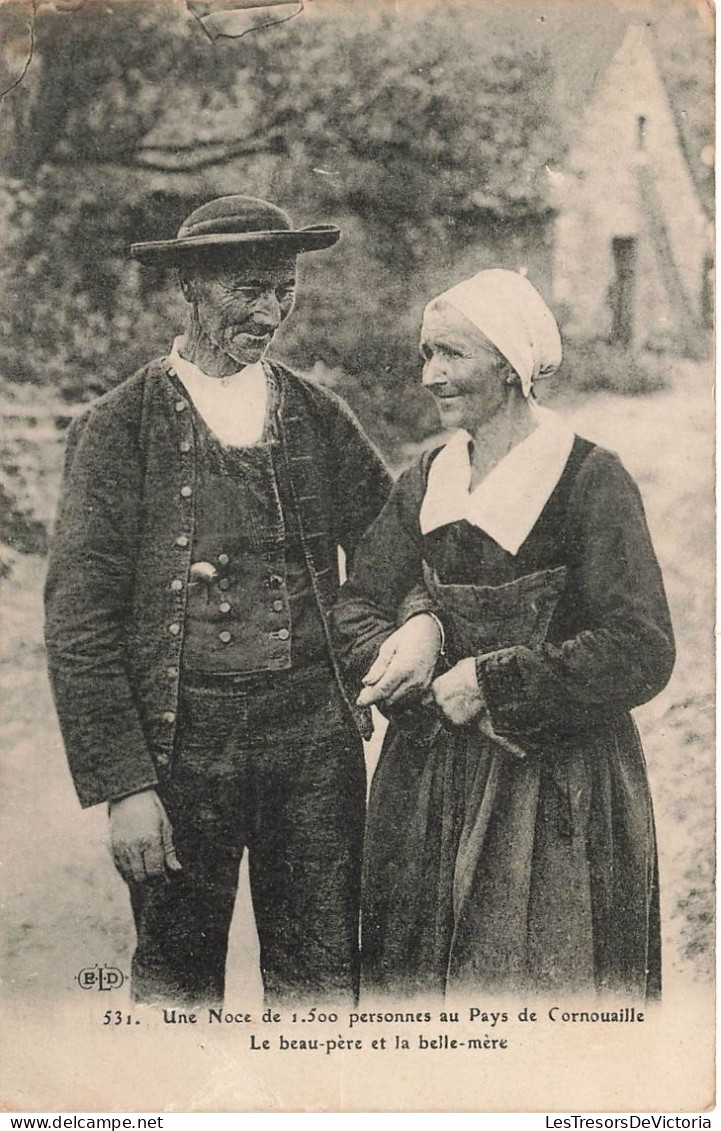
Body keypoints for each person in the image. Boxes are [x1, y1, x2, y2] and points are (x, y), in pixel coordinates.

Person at [45, 195, 392, 1007]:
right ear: (191, 285)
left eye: (284, 289)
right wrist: (124, 786)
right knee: (175, 989)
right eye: (248, 289)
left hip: (313, 748)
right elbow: (80, 624)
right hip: (180, 753)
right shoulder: (117, 428)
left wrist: (389, 640)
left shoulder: (316, 415)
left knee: (320, 988)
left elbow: (390, 553)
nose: (270, 311)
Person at [331, 269, 675, 1000]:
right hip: (426, 790)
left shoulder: (587, 479)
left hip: (556, 788)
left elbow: (640, 646)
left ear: (510, 364)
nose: (430, 375)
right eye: (425, 354)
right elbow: (356, 602)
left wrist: (491, 680)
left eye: (450, 354)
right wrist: (415, 629)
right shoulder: (425, 480)